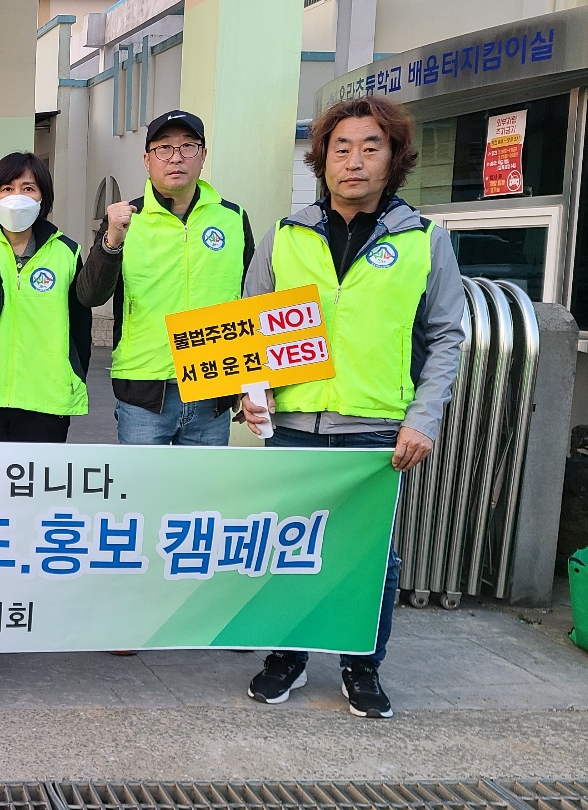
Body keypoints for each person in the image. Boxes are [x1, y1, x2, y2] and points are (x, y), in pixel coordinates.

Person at [239, 95, 465, 719]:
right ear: (322, 159)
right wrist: (253, 395)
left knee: (371, 558)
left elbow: (447, 335)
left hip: (377, 429)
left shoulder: (423, 240)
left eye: (371, 148)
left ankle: (361, 665)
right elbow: (253, 329)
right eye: (342, 149)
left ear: (394, 159)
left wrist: (423, 418)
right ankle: (286, 656)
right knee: (289, 549)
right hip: (294, 425)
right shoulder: (286, 236)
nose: (355, 162)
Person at [84, 110, 253, 446]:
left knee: (201, 498)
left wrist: (251, 383)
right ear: (147, 159)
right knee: (144, 497)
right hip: (145, 392)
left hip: (212, 388)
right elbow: (90, 294)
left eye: (188, 147)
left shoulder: (232, 218)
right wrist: (111, 241)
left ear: (203, 155)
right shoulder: (126, 218)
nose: (176, 158)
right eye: (164, 148)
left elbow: (249, 301)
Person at [0, 152, 113, 441]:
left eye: (28, 188)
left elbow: (79, 327)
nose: (17, 196)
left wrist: (73, 377)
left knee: (34, 487)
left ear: (43, 198)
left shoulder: (67, 252)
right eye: (7, 188)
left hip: (46, 402)